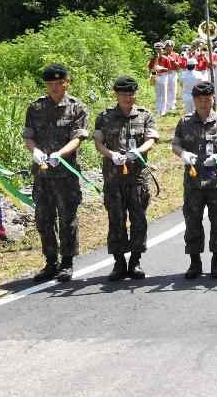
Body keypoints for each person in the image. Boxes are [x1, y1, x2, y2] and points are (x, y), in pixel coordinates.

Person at [22, 63, 89, 282]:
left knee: (67, 218)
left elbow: (78, 137)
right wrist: (35, 151)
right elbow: (28, 135)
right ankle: (51, 262)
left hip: (66, 174)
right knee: (43, 218)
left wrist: (60, 154)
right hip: (42, 175)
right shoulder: (36, 107)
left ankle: (67, 262)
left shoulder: (76, 107)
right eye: (50, 84)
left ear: (66, 83)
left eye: (58, 83)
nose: (54, 88)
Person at [92, 76, 158, 281]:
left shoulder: (145, 115)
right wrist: (111, 154)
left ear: (136, 94)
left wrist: (137, 151)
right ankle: (119, 262)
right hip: (113, 178)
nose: (128, 98)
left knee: (139, 219)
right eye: (123, 94)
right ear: (116, 95)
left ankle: (135, 261)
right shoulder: (104, 116)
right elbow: (98, 143)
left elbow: (151, 140)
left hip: (137, 176)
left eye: (131, 94)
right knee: (116, 219)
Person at [171, 81, 217, 279]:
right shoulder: (185, 122)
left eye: (207, 99)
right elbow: (176, 145)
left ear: (213, 99)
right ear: (194, 100)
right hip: (193, 183)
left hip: (216, 182)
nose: (203, 103)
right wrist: (182, 154)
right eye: (199, 100)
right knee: (192, 222)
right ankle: (195, 263)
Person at [149, 41, 171, 116]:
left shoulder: (166, 58)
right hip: (156, 75)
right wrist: (151, 75)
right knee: (157, 93)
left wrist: (162, 68)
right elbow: (150, 68)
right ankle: (158, 109)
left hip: (164, 75)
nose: (158, 50)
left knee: (164, 93)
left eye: (160, 49)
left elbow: (169, 70)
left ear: (163, 49)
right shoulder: (153, 59)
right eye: (157, 49)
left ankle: (163, 109)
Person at [164, 40, 182, 112]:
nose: (169, 48)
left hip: (173, 72)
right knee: (167, 89)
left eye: (170, 46)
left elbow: (179, 66)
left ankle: (173, 104)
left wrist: (173, 61)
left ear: (172, 47)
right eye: (167, 46)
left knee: (173, 89)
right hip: (165, 73)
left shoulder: (176, 55)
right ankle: (167, 104)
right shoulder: (163, 55)